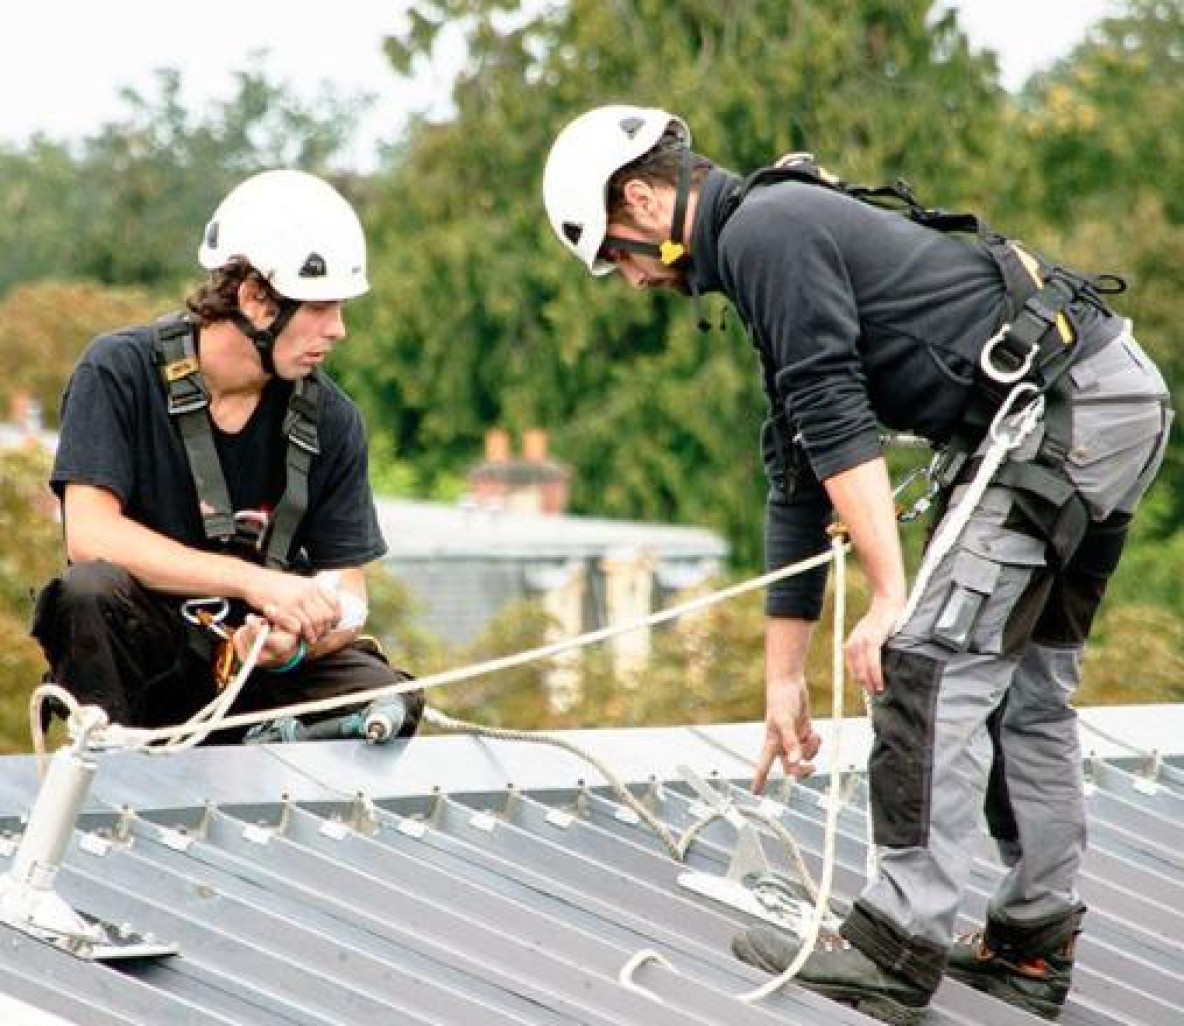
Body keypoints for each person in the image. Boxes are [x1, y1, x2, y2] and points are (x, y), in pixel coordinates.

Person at [543, 105, 1172, 1023]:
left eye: (617, 253)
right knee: (1026, 688)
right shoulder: (773, 233)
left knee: (926, 663)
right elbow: (801, 469)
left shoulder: (765, 231)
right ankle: (1032, 945)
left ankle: (897, 941)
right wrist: (782, 682)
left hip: (1063, 417)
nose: (631, 279)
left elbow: (837, 417)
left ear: (641, 197)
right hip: (1110, 397)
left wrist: (888, 596)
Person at [32, 169, 423, 744]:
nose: (338, 330)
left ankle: (269, 749)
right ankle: (113, 776)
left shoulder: (332, 420)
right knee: (87, 592)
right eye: (320, 307)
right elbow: (90, 537)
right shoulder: (119, 371)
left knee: (386, 699)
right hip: (144, 664)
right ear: (255, 298)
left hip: (256, 670)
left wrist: (294, 641)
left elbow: (350, 593)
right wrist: (254, 584)